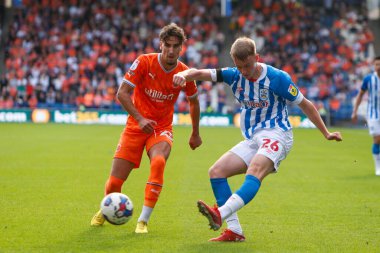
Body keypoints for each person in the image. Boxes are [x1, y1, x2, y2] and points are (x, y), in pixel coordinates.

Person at [173, 37, 342, 242]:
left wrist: (326, 133)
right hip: (253, 138)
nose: (244, 71)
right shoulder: (233, 75)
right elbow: (198, 73)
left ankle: (220, 213)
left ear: (257, 57)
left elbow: (305, 104)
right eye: (239, 66)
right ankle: (234, 231)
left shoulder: (277, 78)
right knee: (216, 172)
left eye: (248, 65)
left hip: (277, 134)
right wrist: (183, 73)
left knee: (255, 170)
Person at [91, 23, 202, 233]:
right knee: (115, 182)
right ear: (160, 44)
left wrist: (195, 133)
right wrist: (140, 119)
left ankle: (143, 221)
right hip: (136, 125)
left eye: (175, 46)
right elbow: (122, 93)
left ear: (181, 48)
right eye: (167, 45)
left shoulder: (185, 73)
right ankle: (106, 209)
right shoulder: (144, 62)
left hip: (161, 128)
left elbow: (194, 102)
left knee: (159, 162)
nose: (170, 50)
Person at [352, 56, 380, 176]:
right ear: (374, 65)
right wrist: (355, 111)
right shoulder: (369, 79)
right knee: (377, 139)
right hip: (373, 113)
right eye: (377, 64)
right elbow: (360, 95)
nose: (378, 67)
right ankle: (378, 168)